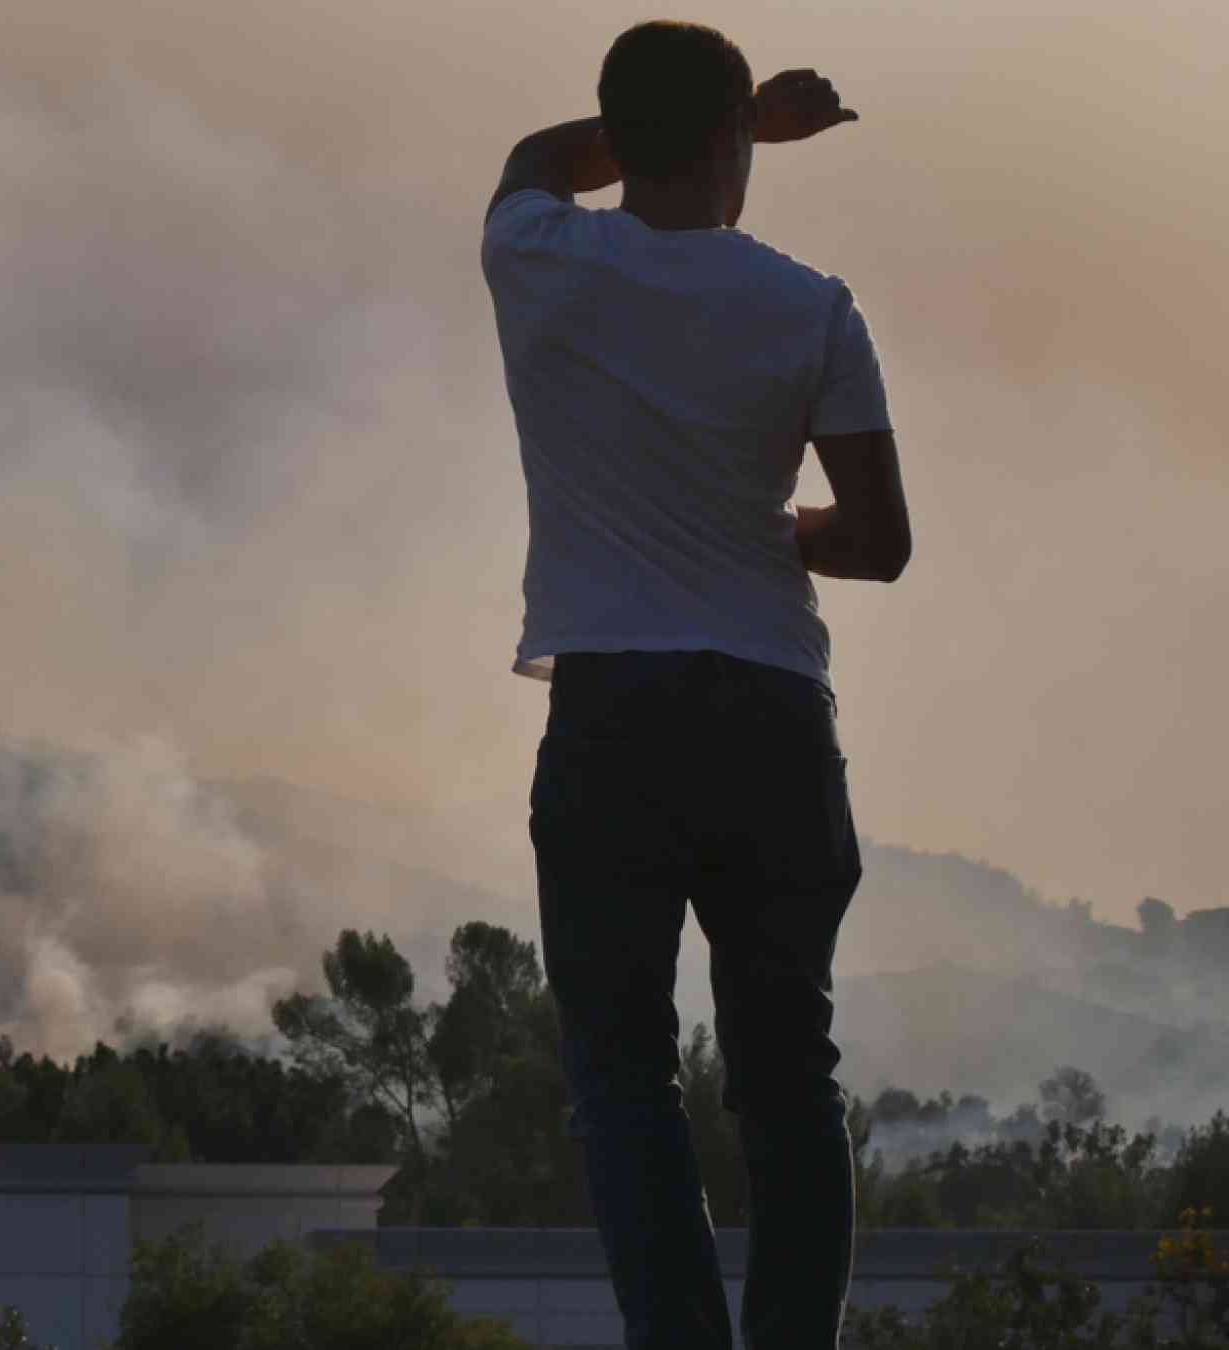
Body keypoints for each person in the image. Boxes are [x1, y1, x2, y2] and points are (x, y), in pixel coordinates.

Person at [479, 20, 912, 1350]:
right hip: (773, 715)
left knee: (622, 1080)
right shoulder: (809, 306)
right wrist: (772, 532)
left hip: (613, 718)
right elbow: (879, 539)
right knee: (790, 1081)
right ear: (733, 136)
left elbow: (535, 156)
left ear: (624, 137)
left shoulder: (539, 256)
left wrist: (718, 123)